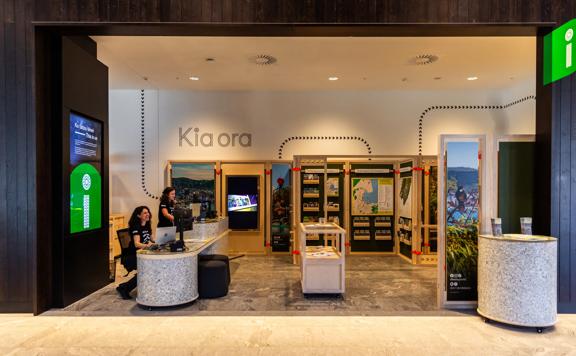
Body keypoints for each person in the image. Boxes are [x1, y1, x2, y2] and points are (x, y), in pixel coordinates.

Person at [116, 206, 155, 300]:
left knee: (152, 267)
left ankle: (123, 286)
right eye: (145, 213)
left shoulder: (147, 225)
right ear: (138, 215)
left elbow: (152, 239)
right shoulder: (136, 227)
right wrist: (147, 245)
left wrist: (158, 241)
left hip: (143, 253)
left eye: (148, 212)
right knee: (145, 271)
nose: (147, 214)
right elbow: (136, 244)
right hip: (133, 255)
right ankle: (124, 289)